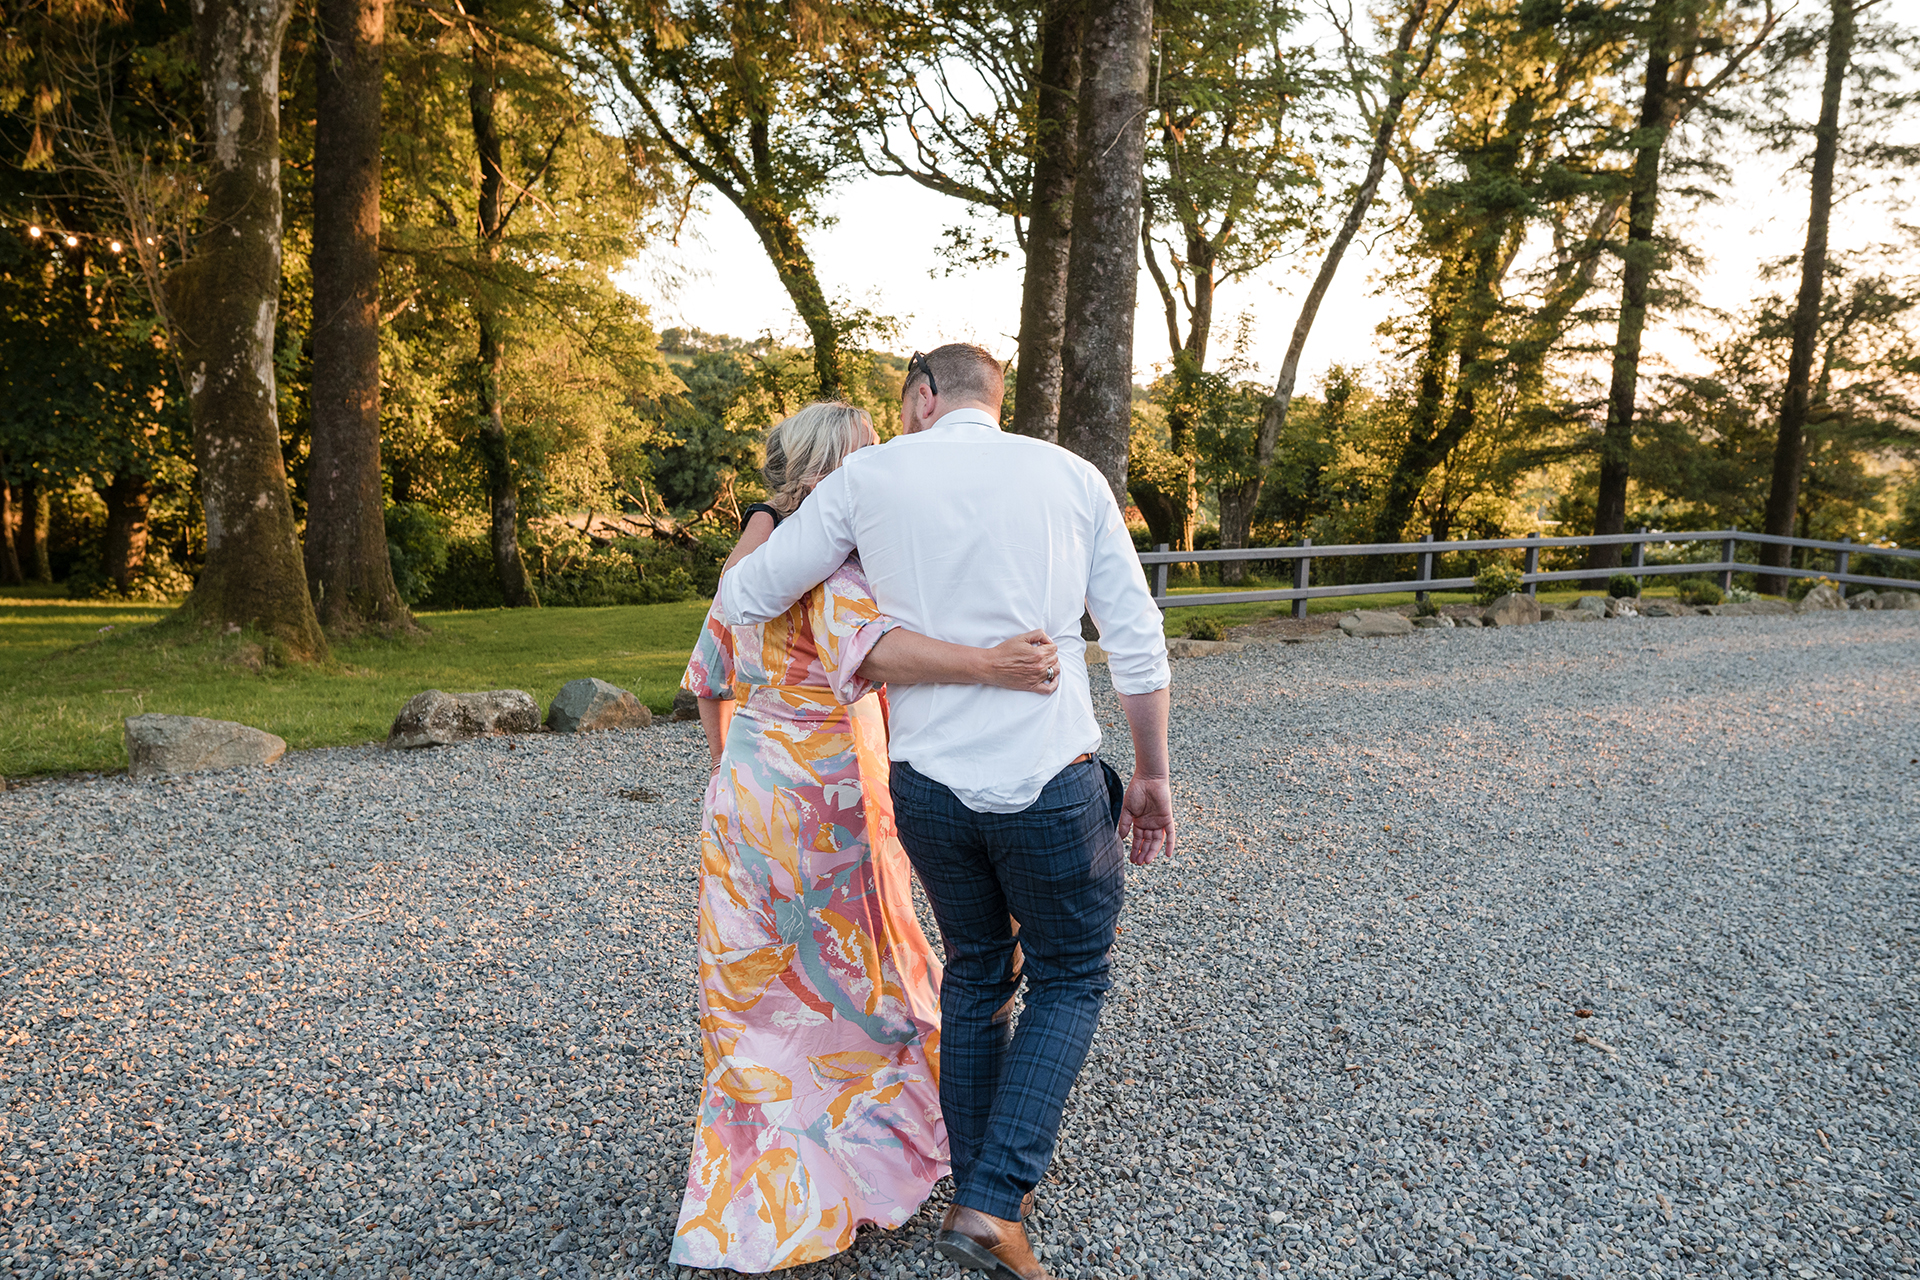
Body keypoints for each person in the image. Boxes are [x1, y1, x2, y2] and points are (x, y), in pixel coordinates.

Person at [718, 345, 1175, 1280]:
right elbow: (1135, 636)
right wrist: (1153, 775)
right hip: (1047, 778)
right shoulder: (1070, 475)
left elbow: (744, 593)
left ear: (924, 395)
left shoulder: (873, 480)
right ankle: (994, 1201)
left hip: (927, 787)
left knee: (976, 971)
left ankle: (979, 1181)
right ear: (990, 396)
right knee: (1072, 974)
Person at [671, 400, 1064, 1274]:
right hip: (829, 796)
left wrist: (733, 770)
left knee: (755, 982)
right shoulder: (834, 557)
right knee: (848, 970)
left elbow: (710, 680)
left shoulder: (755, 556)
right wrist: (990, 665)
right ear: (839, 469)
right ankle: (841, 1156)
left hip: (748, 793)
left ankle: (746, 1158)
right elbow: (873, 653)